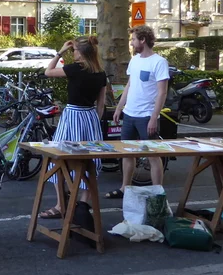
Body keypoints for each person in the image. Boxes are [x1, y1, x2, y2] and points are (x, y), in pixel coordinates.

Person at [38, 36, 107, 218]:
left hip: (72, 116)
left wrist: (60, 51)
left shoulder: (75, 69)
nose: (73, 53)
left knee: (58, 158)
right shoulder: (100, 73)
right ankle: (83, 203)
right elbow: (101, 104)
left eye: (74, 50)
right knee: (89, 162)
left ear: (81, 53)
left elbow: (48, 71)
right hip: (90, 116)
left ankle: (61, 204)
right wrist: (94, 122)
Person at [108, 25, 169, 199]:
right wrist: (119, 107)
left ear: (143, 40)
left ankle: (158, 193)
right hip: (130, 114)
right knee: (127, 153)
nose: (132, 43)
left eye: (134, 39)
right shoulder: (134, 60)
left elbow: (162, 92)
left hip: (146, 115)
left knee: (152, 155)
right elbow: (129, 85)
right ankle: (124, 188)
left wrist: (153, 117)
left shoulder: (159, 62)